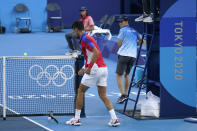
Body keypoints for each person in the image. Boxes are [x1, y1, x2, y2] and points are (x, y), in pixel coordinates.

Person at [66, 21, 120, 127]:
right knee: (103, 95)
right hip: (103, 69)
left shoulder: (85, 39)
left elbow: (96, 52)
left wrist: (89, 67)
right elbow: (89, 56)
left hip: (95, 69)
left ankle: (77, 119)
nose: (73, 32)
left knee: (80, 91)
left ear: (77, 29)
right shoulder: (86, 38)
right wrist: (83, 68)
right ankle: (114, 119)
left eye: (73, 30)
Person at [116, 15, 142, 104]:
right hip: (133, 56)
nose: (119, 23)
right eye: (119, 22)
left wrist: (125, 44)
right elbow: (142, 40)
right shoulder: (134, 31)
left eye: (121, 21)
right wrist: (135, 43)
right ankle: (126, 94)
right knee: (126, 75)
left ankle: (123, 94)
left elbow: (119, 44)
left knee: (118, 75)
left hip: (123, 55)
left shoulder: (122, 30)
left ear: (126, 21)